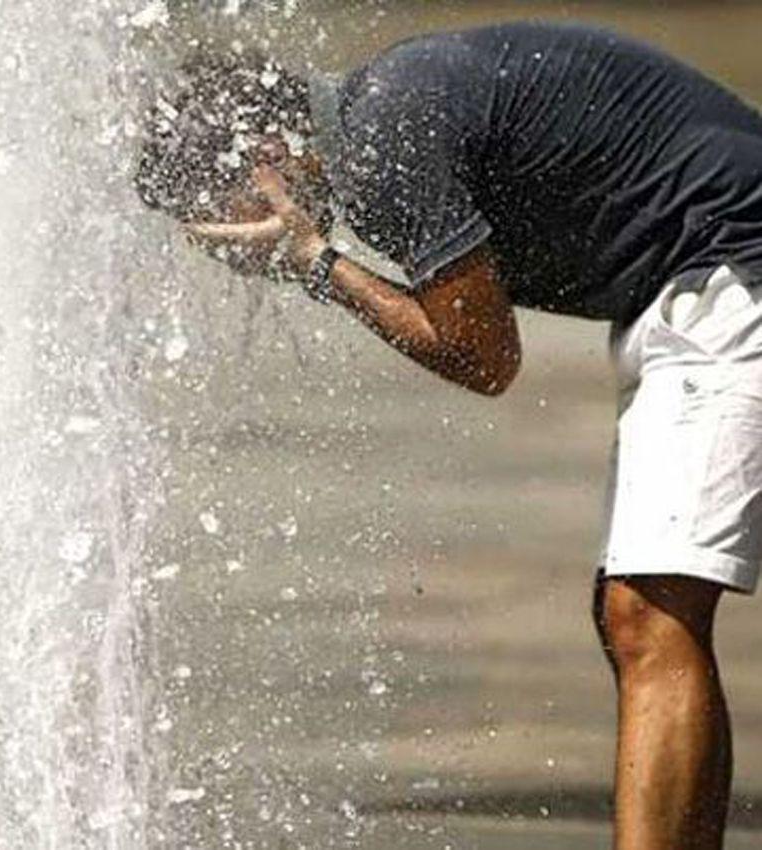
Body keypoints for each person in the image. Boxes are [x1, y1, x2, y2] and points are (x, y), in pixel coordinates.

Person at [136, 20, 762, 850]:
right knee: (643, 615)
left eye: (225, 215)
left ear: (266, 153)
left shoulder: (385, 139)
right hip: (698, 281)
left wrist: (315, 261)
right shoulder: (384, 110)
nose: (233, 248)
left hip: (729, 264)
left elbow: (485, 357)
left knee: (651, 614)